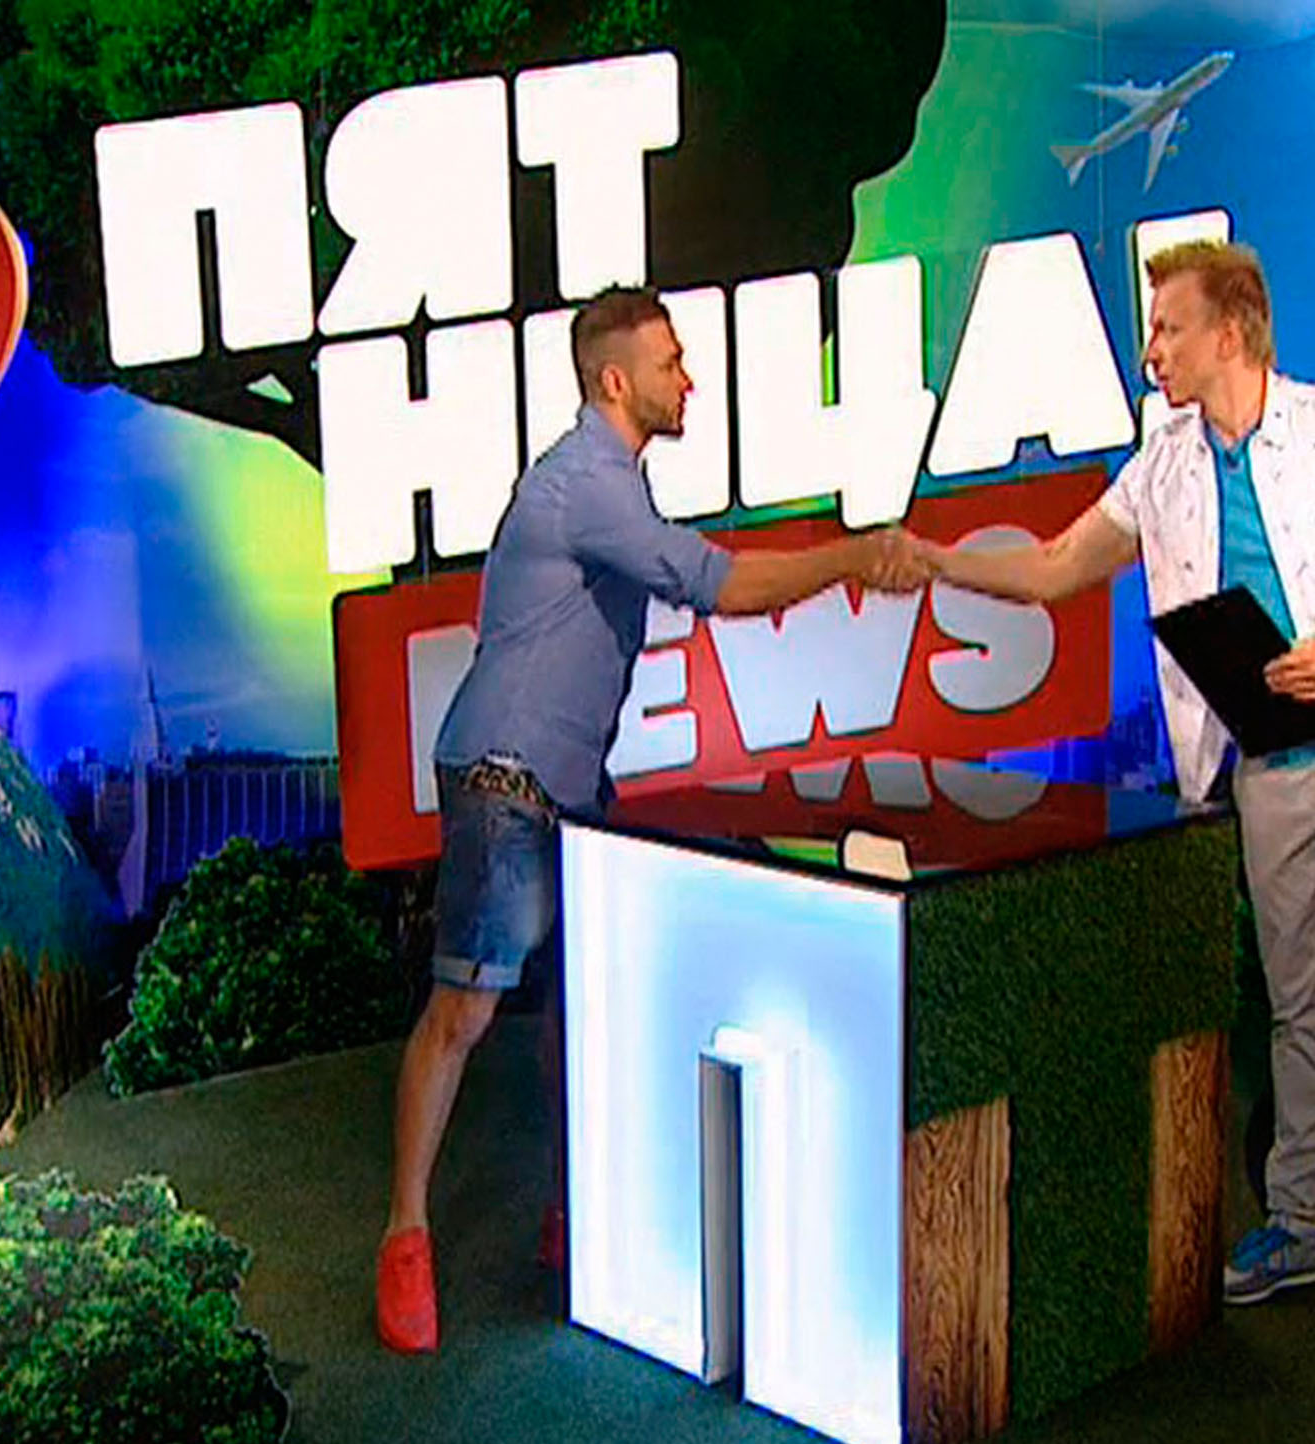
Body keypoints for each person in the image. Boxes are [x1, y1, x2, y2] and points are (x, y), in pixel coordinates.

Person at [922, 240, 1315, 1360]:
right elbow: (1059, 565)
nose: (1153, 351)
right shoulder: (1163, 464)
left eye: (1168, 328)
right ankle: (1301, 1222)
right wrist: (935, 560)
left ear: (1231, 332)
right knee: (1297, 1011)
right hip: (1264, 766)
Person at [377, 285, 927, 1354]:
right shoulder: (586, 483)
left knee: (576, 1018)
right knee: (464, 1013)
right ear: (615, 380)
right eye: (671, 362)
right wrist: (857, 556)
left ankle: (573, 1217)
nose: (689, 379)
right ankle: (404, 1238)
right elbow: (716, 583)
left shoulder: (611, 479)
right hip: (504, 778)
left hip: (566, 786)